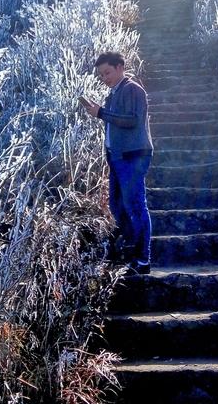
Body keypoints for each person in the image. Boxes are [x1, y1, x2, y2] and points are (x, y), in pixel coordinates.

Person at [80, 52, 153, 275]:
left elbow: (132, 120)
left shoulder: (132, 89)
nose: (104, 77)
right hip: (119, 156)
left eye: (108, 72)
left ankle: (143, 259)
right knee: (117, 206)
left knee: (135, 206)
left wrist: (101, 112)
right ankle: (134, 250)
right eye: (101, 74)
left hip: (134, 155)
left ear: (120, 67)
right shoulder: (115, 92)